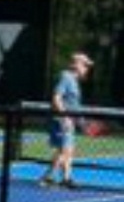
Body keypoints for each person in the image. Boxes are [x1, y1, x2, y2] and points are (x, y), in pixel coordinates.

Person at [39, 53, 94, 190]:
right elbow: (56, 98)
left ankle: (66, 178)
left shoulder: (74, 81)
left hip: (68, 120)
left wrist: (81, 122)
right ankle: (48, 177)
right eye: (85, 65)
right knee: (64, 150)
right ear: (76, 65)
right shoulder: (66, 77)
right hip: (61, 120)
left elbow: (73, 105)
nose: (87, 69)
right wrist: (64, 118)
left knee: (68, 150)